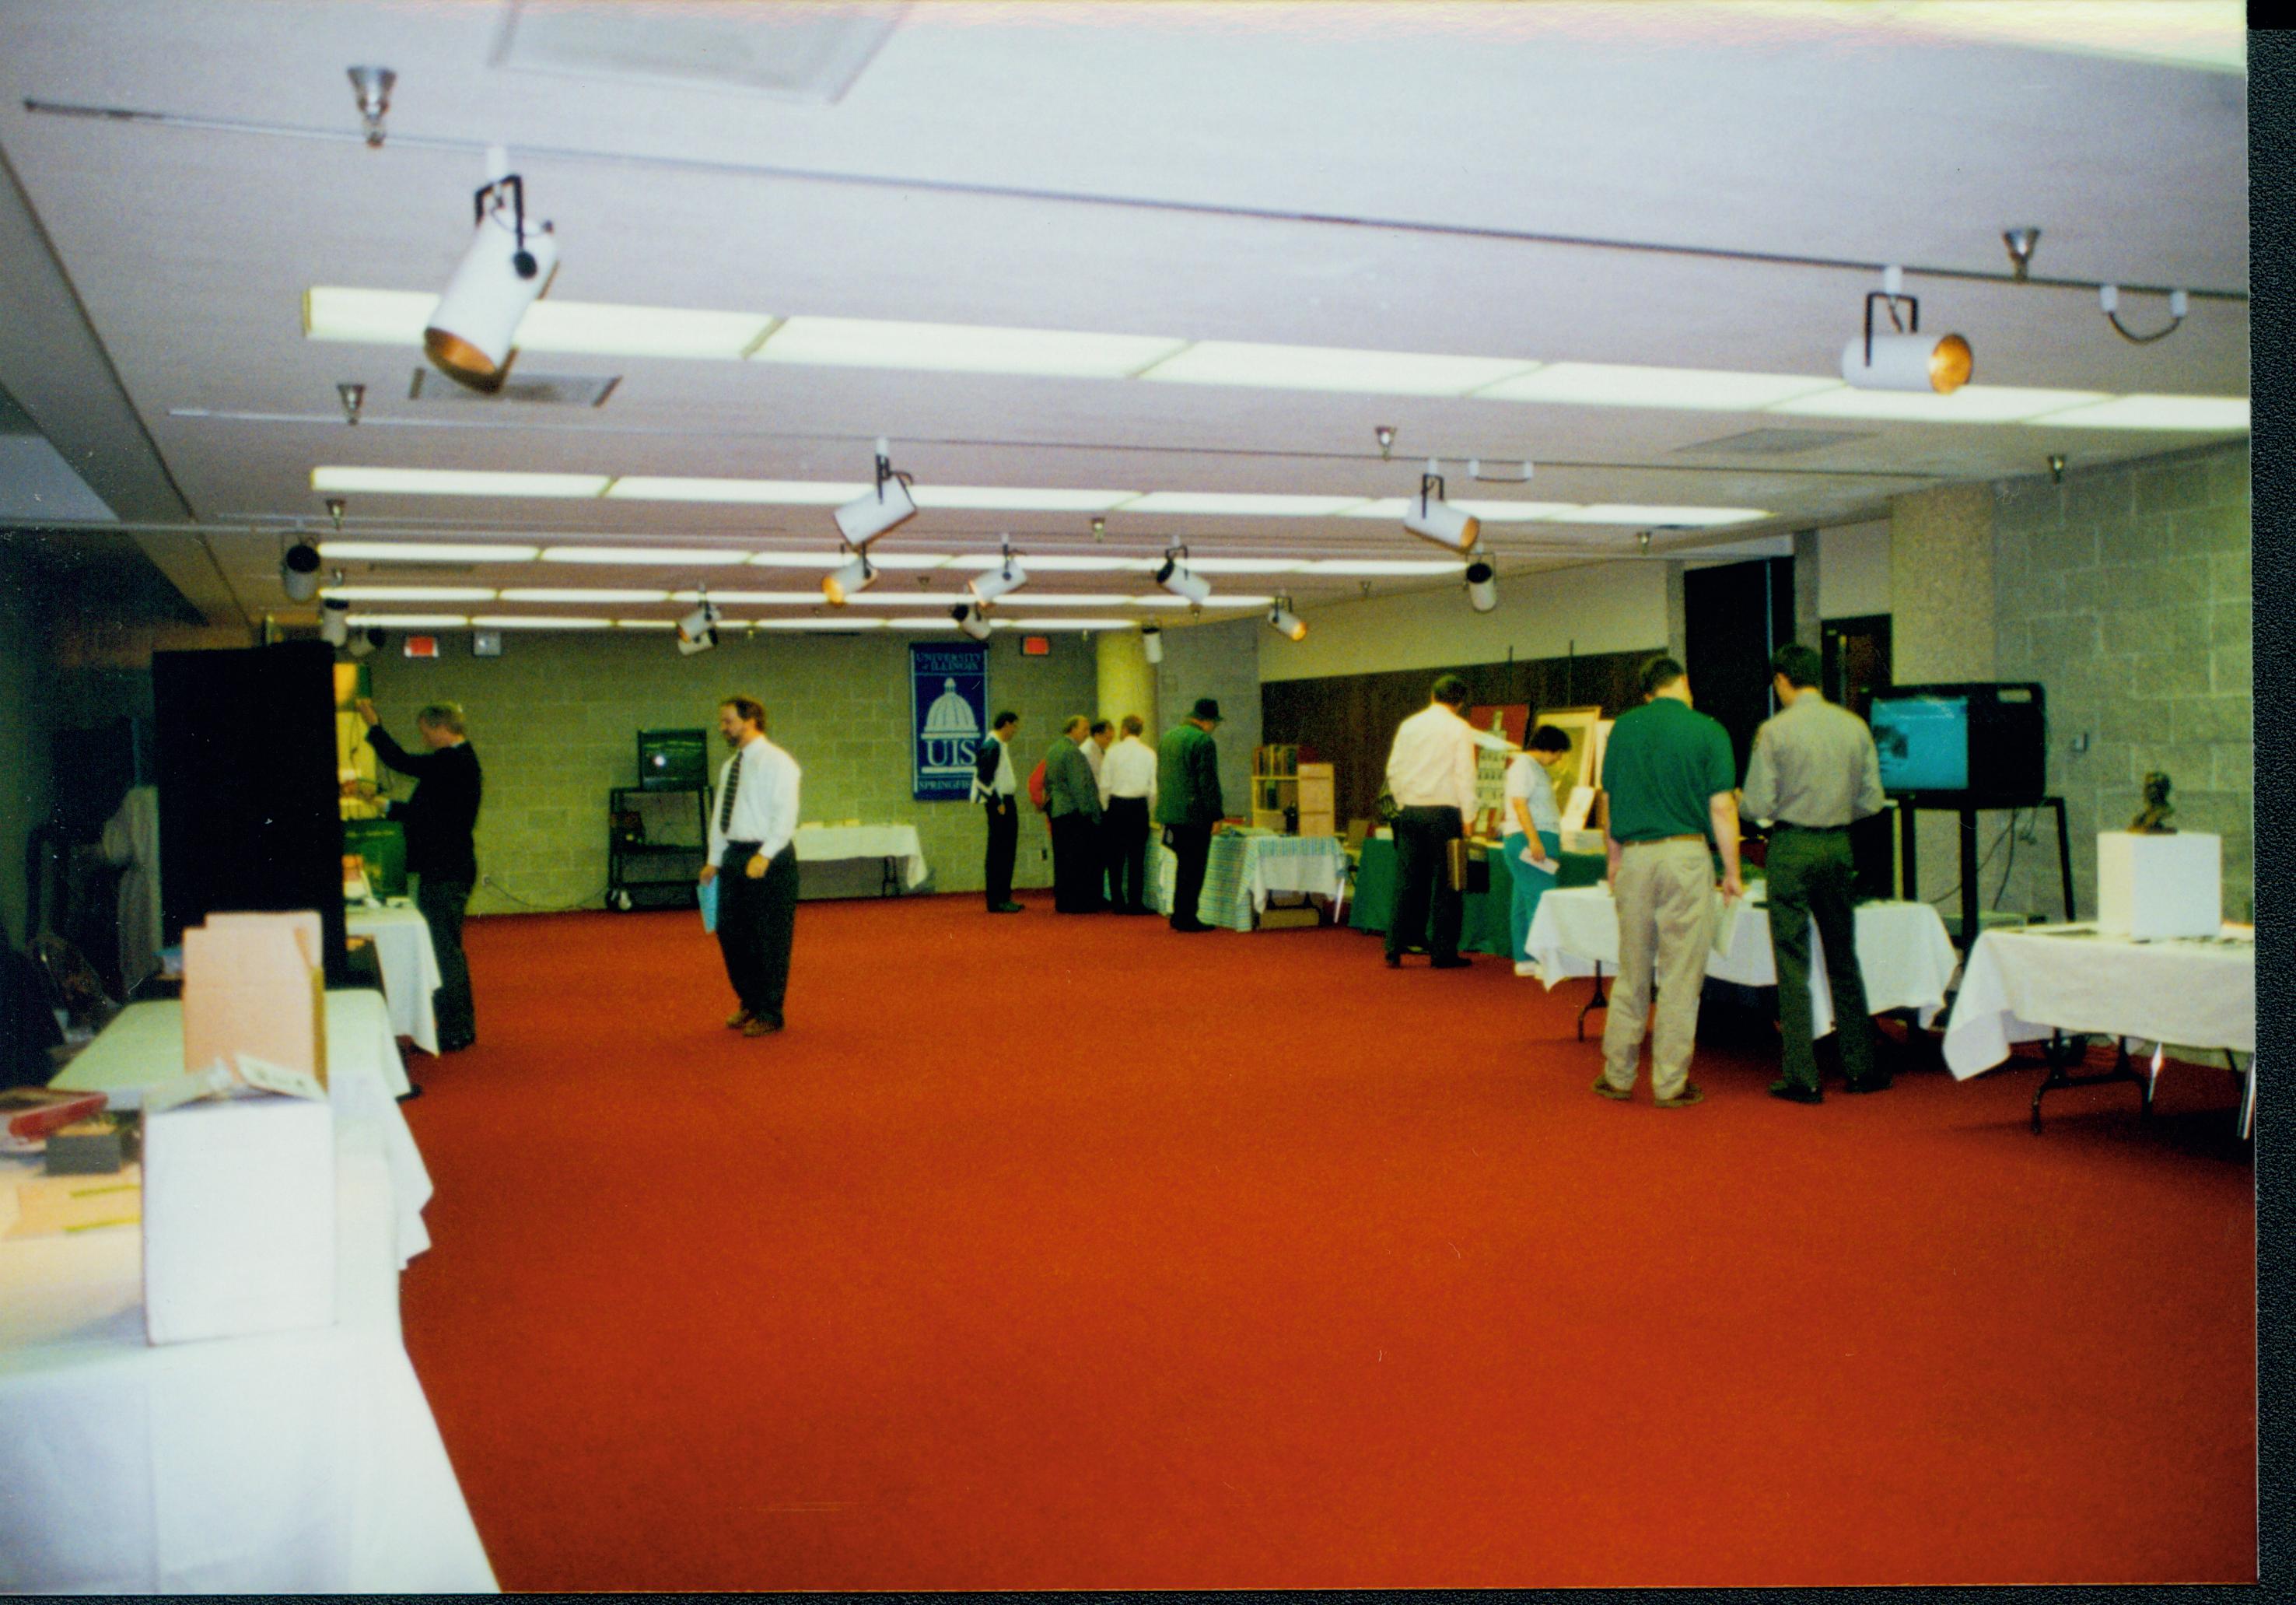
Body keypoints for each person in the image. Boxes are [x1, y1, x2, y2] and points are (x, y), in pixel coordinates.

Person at [1740, 642, 1888, 1102]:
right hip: (1838, 846)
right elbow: (1872, 801)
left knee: (1793, 961)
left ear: (1783, 680)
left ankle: (1803, 1076)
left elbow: (1758, 805)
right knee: (1844, 958)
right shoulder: (1854, 726)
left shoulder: (1773, 731)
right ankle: (1862, 1068)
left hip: (1791, 846)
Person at [1594, 657, 1741, 1108]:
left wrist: (1613, 861)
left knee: (1632, 969)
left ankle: (1617, 1075)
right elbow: (1721, 808)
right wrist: (1732, 872)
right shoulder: (1709, 730)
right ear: (1684, 682)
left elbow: (1610, 803)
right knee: (1680, 974)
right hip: (1686, 856)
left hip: (1636, 858)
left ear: (1647, 692)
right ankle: (1670, 1083)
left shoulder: (1623, 729)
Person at [357, 698, 481, 1053]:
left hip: (447, 869)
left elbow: (401, 762)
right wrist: (380, 804)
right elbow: (424, 814)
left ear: (441, 728)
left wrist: (373, 725)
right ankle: (456, 1025)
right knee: (446, 949)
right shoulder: (455, 762)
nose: (424, 738)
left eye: (426, 732)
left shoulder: (453, 761)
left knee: (444, 952)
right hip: (446, 867)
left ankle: (457, 1029)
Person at [702, 696, 800, 1039]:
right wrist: (714, 860)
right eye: (722, 721)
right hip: (735, 856)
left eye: (728, 721)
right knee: (731, 933)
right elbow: (720, 817)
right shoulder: (731, 766)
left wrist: (767, 854)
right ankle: (750, 1001)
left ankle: (771, 1012)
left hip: (769, 859)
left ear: (751, 720)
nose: (722, 728)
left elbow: (785, 814)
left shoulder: (779, 763)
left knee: (768, 938)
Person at [1381, 674, 1479, 969]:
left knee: (1408, 881)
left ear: (1433, 695)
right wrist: (1470, 815)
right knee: (1449, 884)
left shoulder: (1409, 725)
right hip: (1445, 812)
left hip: (1411, 811)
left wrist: (1401, 802)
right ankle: (1442, 953)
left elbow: (1394, 769)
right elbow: (1465, 774)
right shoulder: (1460, 728)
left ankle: (1394, 947)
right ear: (1460, 703)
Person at [1501, 724, 1572, 978]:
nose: (1559, 758)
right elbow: (1519, 803)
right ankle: (1545, 962)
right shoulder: (1524, 767)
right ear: (1548, 748)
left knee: (1523, 900)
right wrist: (1534, 841)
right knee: (1541, 899)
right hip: (1531, 838)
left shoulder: (1531, 768)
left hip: (1530, 838)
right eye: (1559, 752)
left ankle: (1525, 958)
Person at [1156, 698, 1226, 933]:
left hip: (1171, 812)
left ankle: (1179, 914)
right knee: (1194, 868)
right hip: (1195, 815)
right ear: (1207, 722)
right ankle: (1186, 917)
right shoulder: (1203, 741)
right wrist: (1216, 814)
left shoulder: (1168, 737)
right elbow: (1208, 782)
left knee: (1182, 866)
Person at [1099, 713, 1158, 915]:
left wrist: (1106, 808)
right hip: (1139, 807)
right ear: (1141, 731)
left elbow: (1104, 784)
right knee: (1137, 858)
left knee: (1115, 858)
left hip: (1117, 806)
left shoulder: (1112, 753)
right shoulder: (1149, 753)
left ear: (1124, 730)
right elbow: (1153, 789)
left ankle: (1117, 901)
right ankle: (1136, 902)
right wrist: (1147, 809)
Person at [1045, 716, 1105, 913]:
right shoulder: (1072, 753)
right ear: (1072, 729)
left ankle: (1063, 901)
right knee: (1076, 859)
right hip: (1073, 812)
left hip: (1058, 811)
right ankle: (1076, 903)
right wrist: (1089, 813)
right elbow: (1080, 786)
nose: (1087, 733)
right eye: (1084, 729)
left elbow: (1047, 781)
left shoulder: (1053, 749)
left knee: (1062, 859)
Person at [973, 710, 1023, 913]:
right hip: (1000, 803)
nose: (1015, 731)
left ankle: (1004, 896)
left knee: (1006, 851)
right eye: (1014, 726)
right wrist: (997, 802)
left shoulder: (1000, 746)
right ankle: (997, 900)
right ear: (1006, 724)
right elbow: (983, 778)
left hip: (1005, 801)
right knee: (999, 852)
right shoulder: (991, 745)